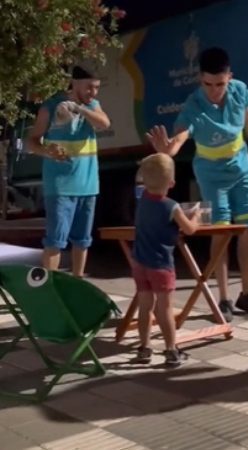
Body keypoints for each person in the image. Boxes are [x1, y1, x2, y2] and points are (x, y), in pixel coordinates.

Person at [146, 47, 248, 322]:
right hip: (211, 173)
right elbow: (181, 136)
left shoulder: (239, 90)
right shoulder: (194, 105)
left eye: (220, 84)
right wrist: (169, 150)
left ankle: (247, 294)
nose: (214, 90)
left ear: (230, 77)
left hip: (241, 165)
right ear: (200, 79)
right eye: (208, 84)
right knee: (221, 231)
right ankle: (223, 298)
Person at [26, 66, 111, 278]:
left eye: (97, 88)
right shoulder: (51, 106)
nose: (93, 92)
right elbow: (31, 142)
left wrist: (80, 109)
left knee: (83, 240)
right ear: (74, 84)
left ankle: (78, 282)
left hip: (88, 184)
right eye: (89, 87)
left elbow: (104, 124)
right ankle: (50, 286)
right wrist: (47, 151)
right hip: (60, 186)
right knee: (55, 240)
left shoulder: (93, 106)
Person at [132, 153, 199, 367]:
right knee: (165, 309)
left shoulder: (141, 198)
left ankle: (144, 348)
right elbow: (189, 230)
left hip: (140, 262)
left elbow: (141, 181)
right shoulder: (172, 206)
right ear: (171, 183)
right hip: (161, 265)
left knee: (145, 307)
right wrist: (196, 215)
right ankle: (171, 350)